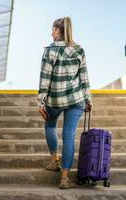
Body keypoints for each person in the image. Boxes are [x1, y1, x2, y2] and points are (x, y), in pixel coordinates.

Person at [37, 16, 93, 189]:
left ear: (59, 30)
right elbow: (84, 77)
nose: (51, 32)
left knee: (50, 125)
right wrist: (88, 98)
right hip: (76, 99)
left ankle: (55, 160)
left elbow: (45, 78)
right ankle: (65, 179)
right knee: (68, 137)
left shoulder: (50, 51)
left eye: (53, 29)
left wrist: (41, 101)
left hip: (55, 99)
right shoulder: (79, 50)